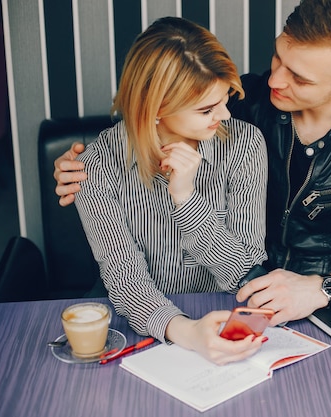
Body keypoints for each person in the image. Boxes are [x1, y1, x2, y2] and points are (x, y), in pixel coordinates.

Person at [54, 0, 331, 327]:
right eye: (278, 56)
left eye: (299, 79)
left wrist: (322, 288)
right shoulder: (242, 102)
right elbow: (161, 105)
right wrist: (85, 164)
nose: (274, 80)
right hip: (239, 292)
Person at [70, 17, 269, 365]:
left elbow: (246, 271)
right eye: (207, 109)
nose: (224, 114)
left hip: (225, 315)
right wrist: (187, 332)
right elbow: (123, 275)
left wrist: (187, 200)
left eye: (225, 98)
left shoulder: (245, 145)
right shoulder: (97, 165)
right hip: (140, 325)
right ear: (157, 109)